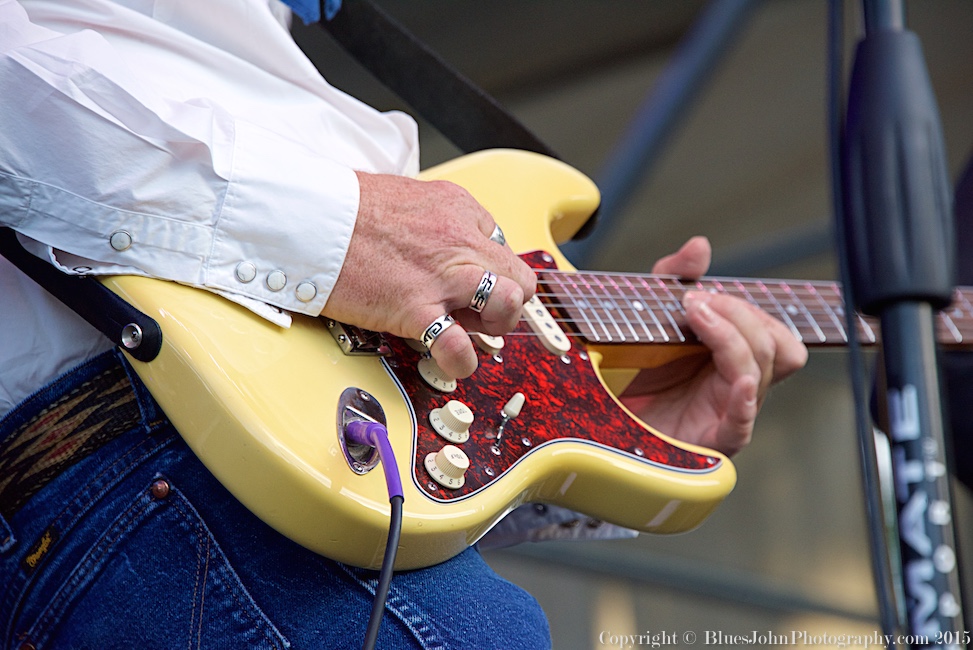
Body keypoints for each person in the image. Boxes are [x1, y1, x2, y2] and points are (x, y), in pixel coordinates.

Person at [0, 0, 808, 647]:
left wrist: (589, 428)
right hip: (125, 445)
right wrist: (338, 232)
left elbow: (339, 464)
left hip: (184, 487)